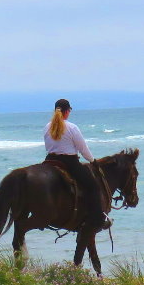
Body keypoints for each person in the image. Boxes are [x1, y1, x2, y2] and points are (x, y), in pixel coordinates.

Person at [44, 98, 109, 231]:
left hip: (49, 160)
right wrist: (93, 161)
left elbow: (48, 146)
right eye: (69, 110)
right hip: (69, 163)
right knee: (93, 186)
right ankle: (98, 218)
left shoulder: (47, 127)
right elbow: (83, 149)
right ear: (67, 111)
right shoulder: (72, 127)